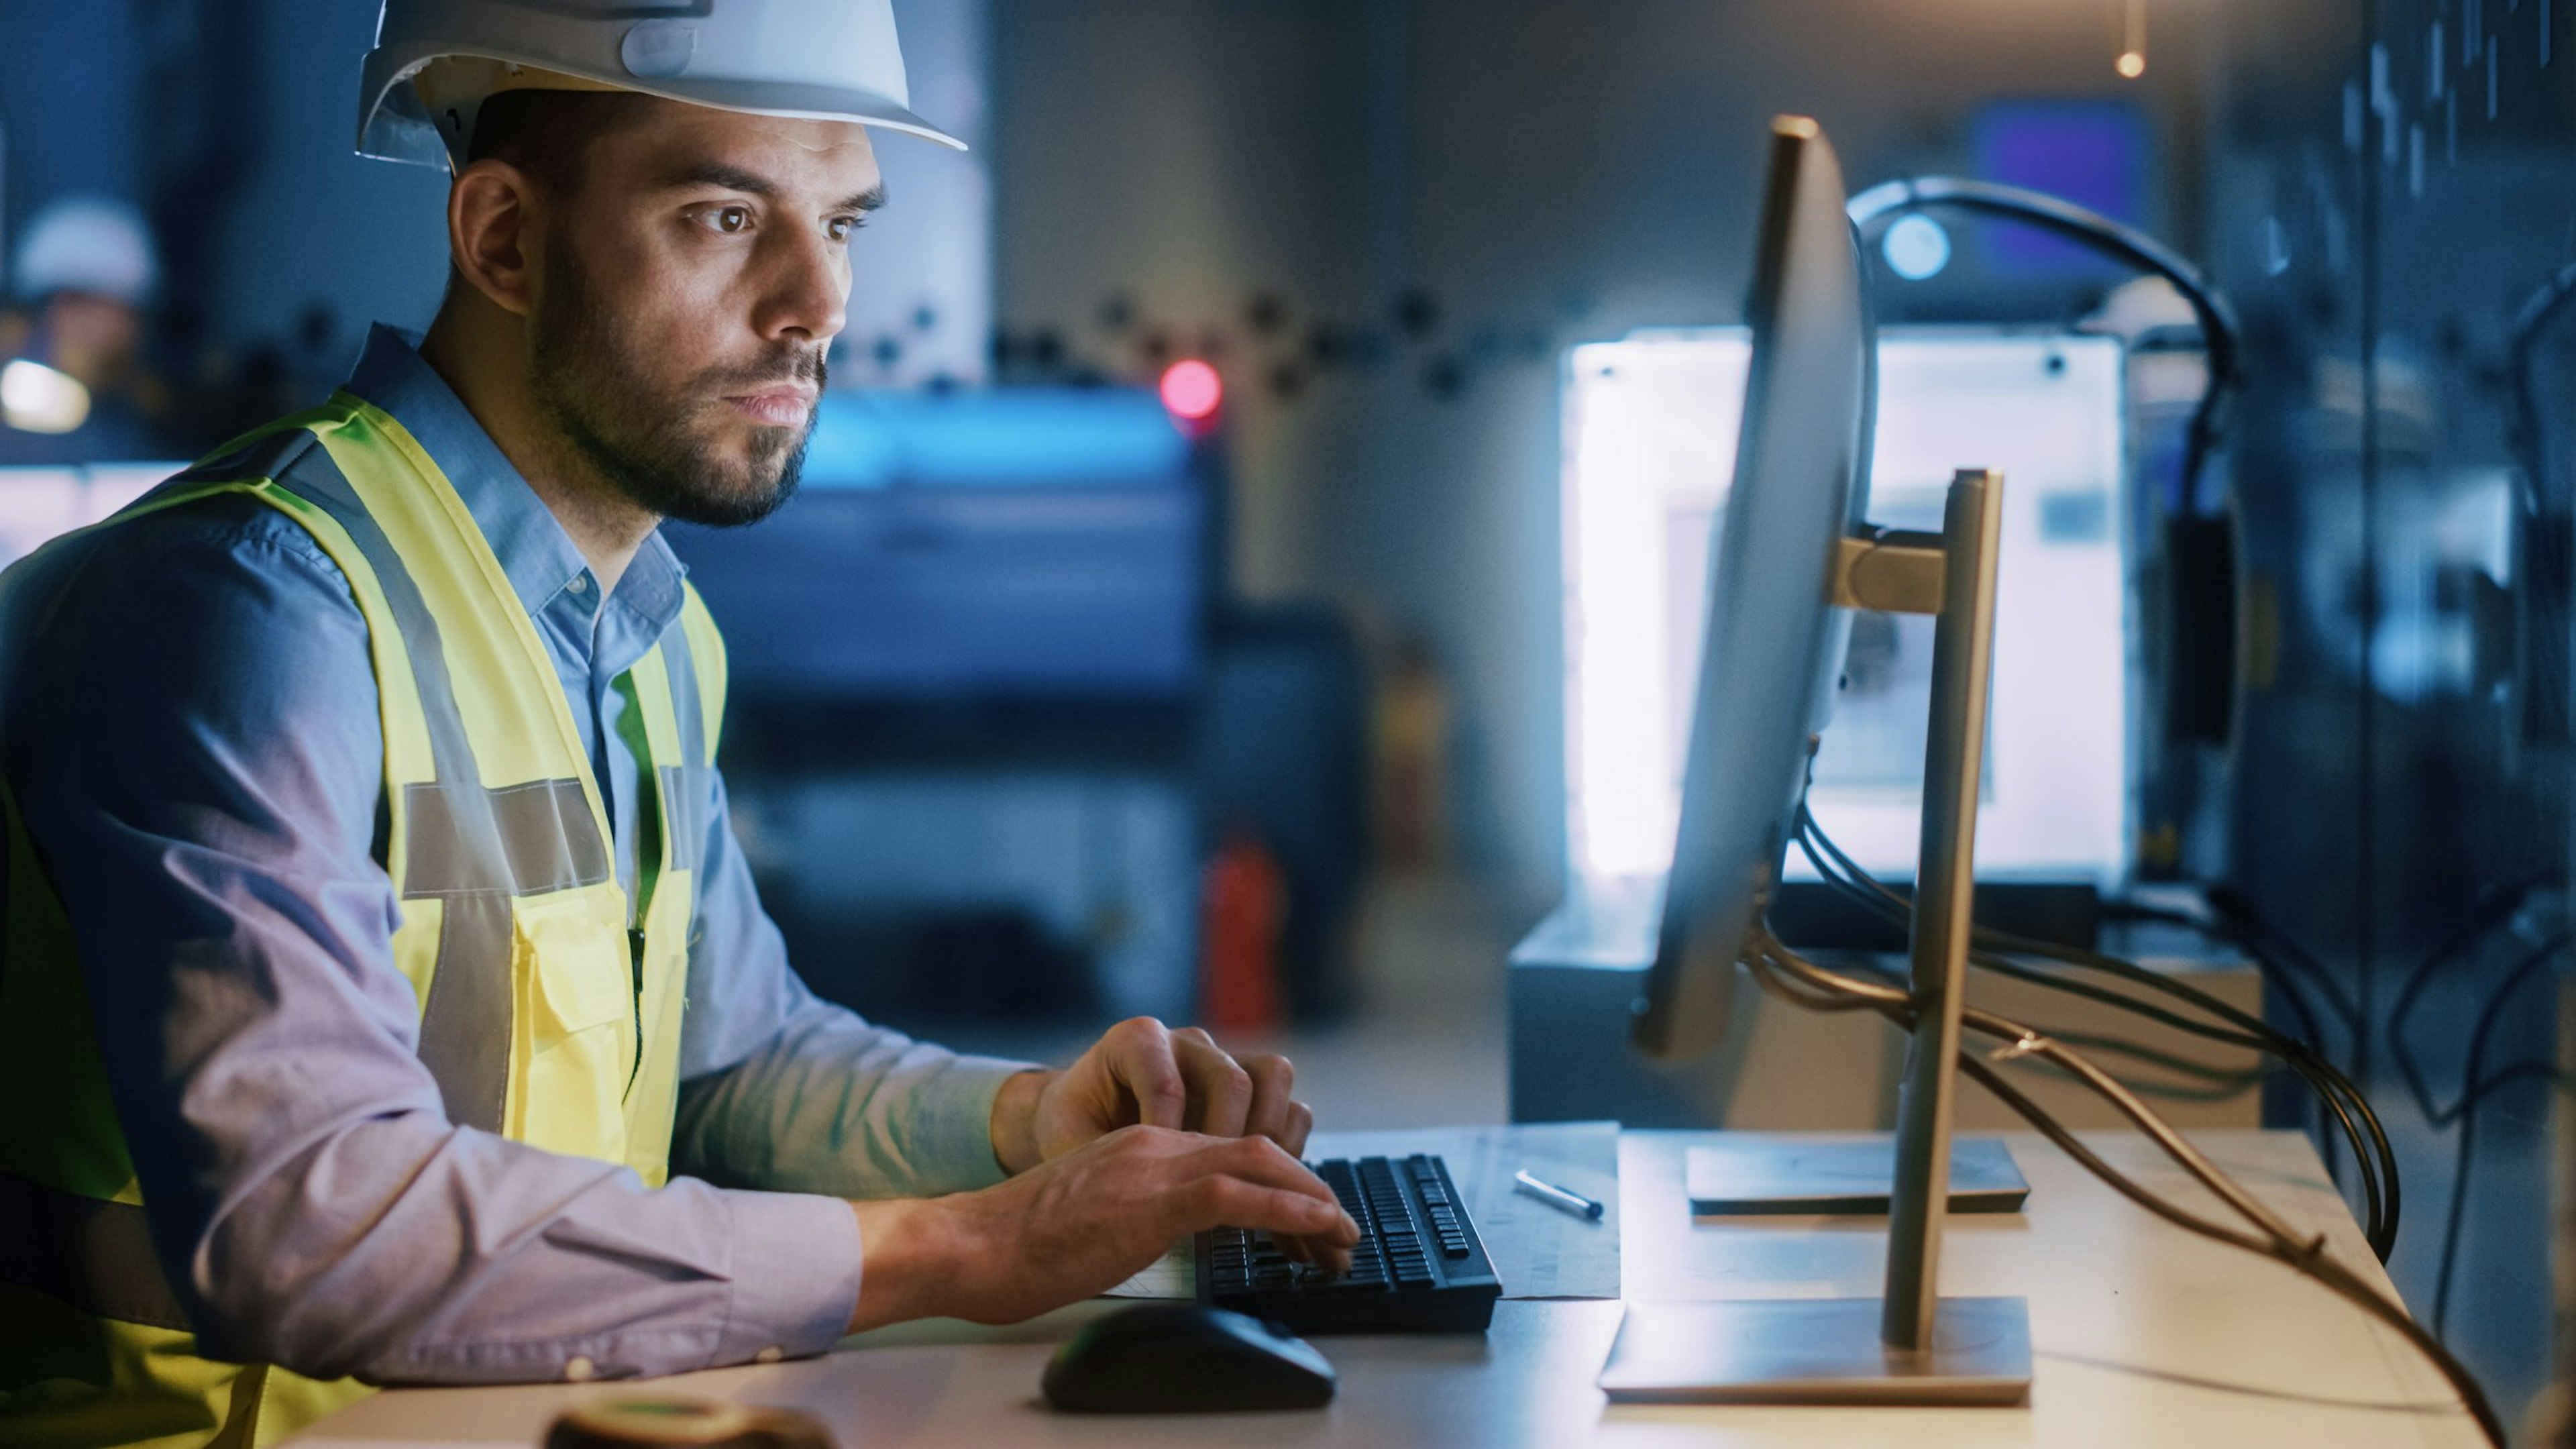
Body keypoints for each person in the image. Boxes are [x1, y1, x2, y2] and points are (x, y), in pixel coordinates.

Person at [0, 5, 1357, 1447]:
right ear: (505, 239)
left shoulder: (647, 628)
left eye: (842, 223)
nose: (816, 303)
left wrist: (1027, 1125)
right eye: (724, 216)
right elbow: (306, 1229)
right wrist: (970, 1248)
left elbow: (727, 1069)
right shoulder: (254, 609)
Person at [0, 197, 171, 462]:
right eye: (123, 311)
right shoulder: (18, 397)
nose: (131, 330)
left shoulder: (131, 408)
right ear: (66, 306)